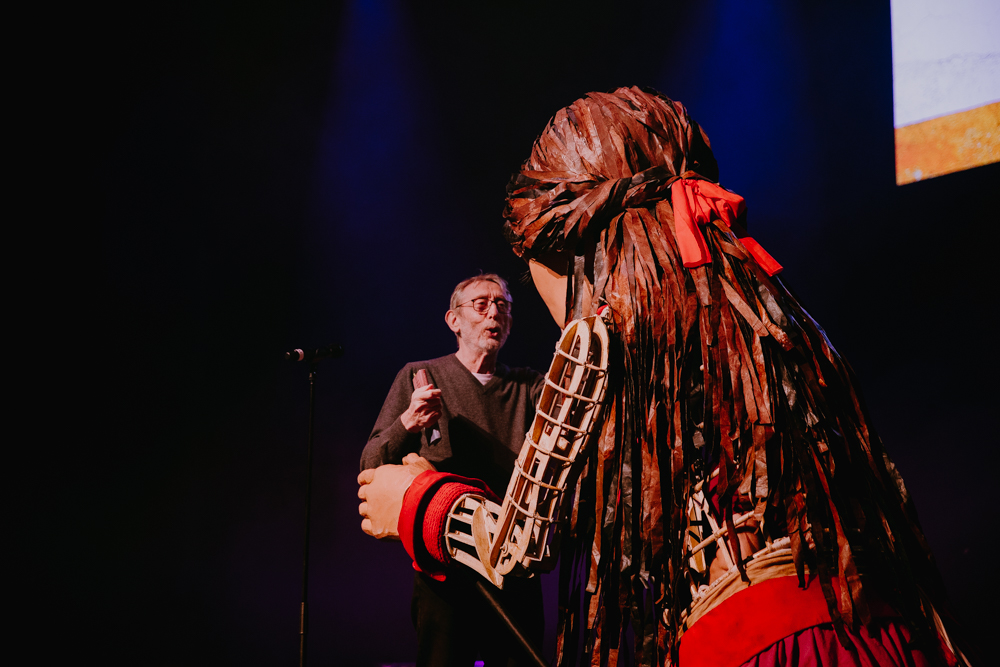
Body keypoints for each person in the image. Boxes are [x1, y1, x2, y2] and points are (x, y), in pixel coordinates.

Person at [359, 88, 970, 667]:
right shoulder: (772, 313)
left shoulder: (603, 333)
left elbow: (521, 545)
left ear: (574, 244)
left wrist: (414, 503)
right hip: (875, 627)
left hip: (749, 634)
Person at [360, 273, 546, 667]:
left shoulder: (528, 386)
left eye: (503, 305)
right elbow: (370, 465)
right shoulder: (419, 375)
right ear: (454, 320)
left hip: (512, 563)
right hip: (444, 566)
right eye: (481, 304)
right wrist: (408, 421)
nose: (494, 312)